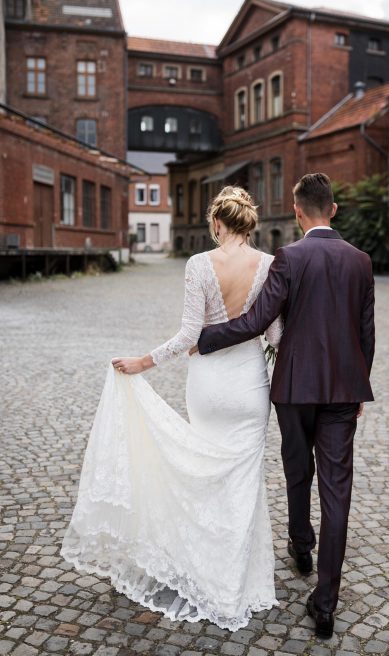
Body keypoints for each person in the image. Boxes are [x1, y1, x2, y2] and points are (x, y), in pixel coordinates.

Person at [60, 186, 282, 632]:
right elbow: (275, 335)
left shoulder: (200, 265)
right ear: (249, 222)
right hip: (249, 384)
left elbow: (188, 336)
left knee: (203, 470)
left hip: (208, 385)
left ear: (217, 223)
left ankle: (200, 564)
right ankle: (235, 580)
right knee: (243, 477)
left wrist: (142, 362)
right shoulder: (271, 266)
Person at [197, 172, 375, 639]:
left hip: (294, 387)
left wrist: (206, 338)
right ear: (333, 209)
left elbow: (257, 321)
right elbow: (365, 334)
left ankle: (300, 546)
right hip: (341, 392)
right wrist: (358, 387)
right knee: (337, 491)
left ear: (297, 212)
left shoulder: (289, 258)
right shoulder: (361, 261)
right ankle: (326, 604)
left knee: (297, 470)